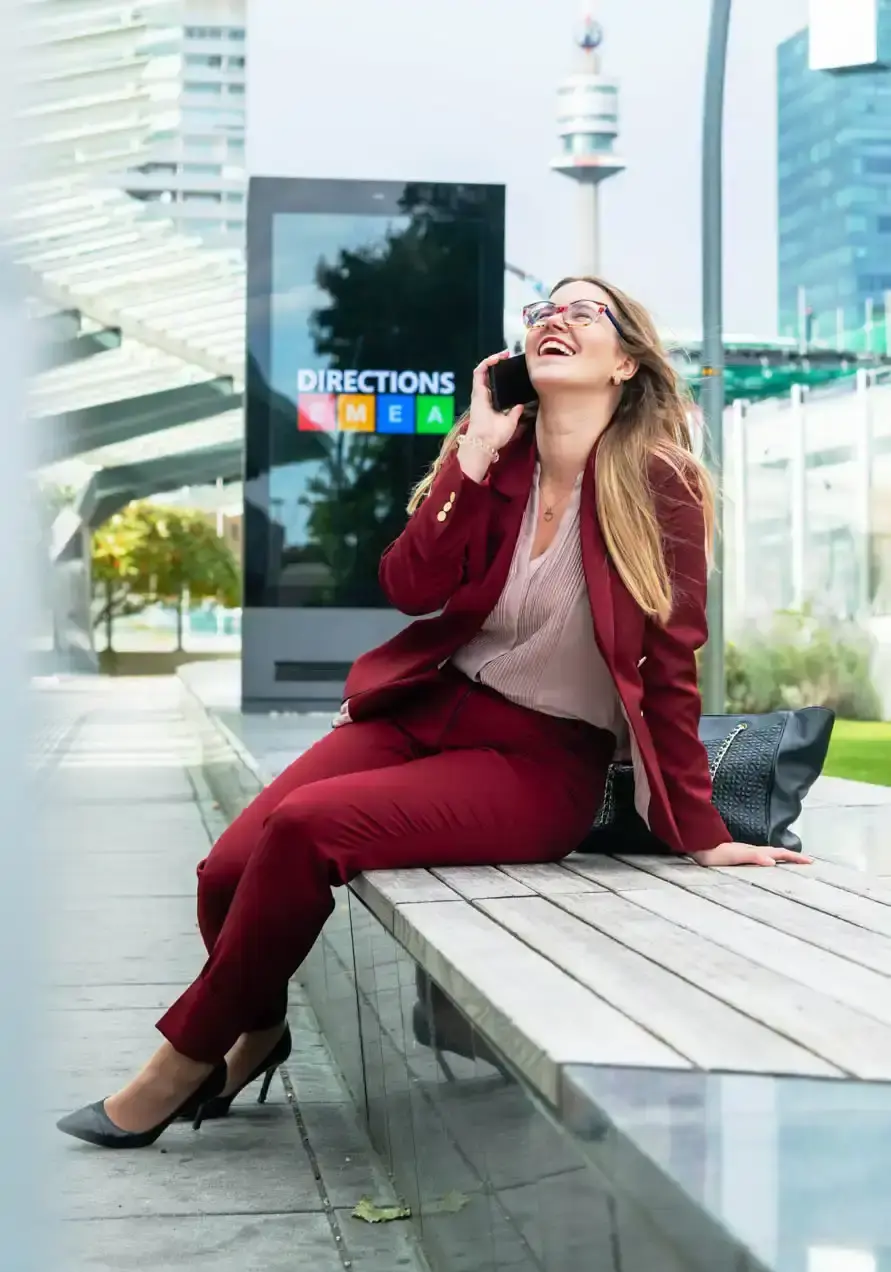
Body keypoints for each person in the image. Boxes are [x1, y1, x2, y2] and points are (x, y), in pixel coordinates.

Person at [57, 276, 812, 1149]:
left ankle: (179, 1064)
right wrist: (474, 452)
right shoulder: (498, 457)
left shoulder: (661, 483)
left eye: (582, 312)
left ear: (624, 363)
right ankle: (257, 1033)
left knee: (304, 827)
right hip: (428, 708)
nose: (554, 320)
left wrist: (700, 830)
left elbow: (671, 661)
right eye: (542, 311)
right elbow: (409, 585)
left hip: (541, 763)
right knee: (222, 872)